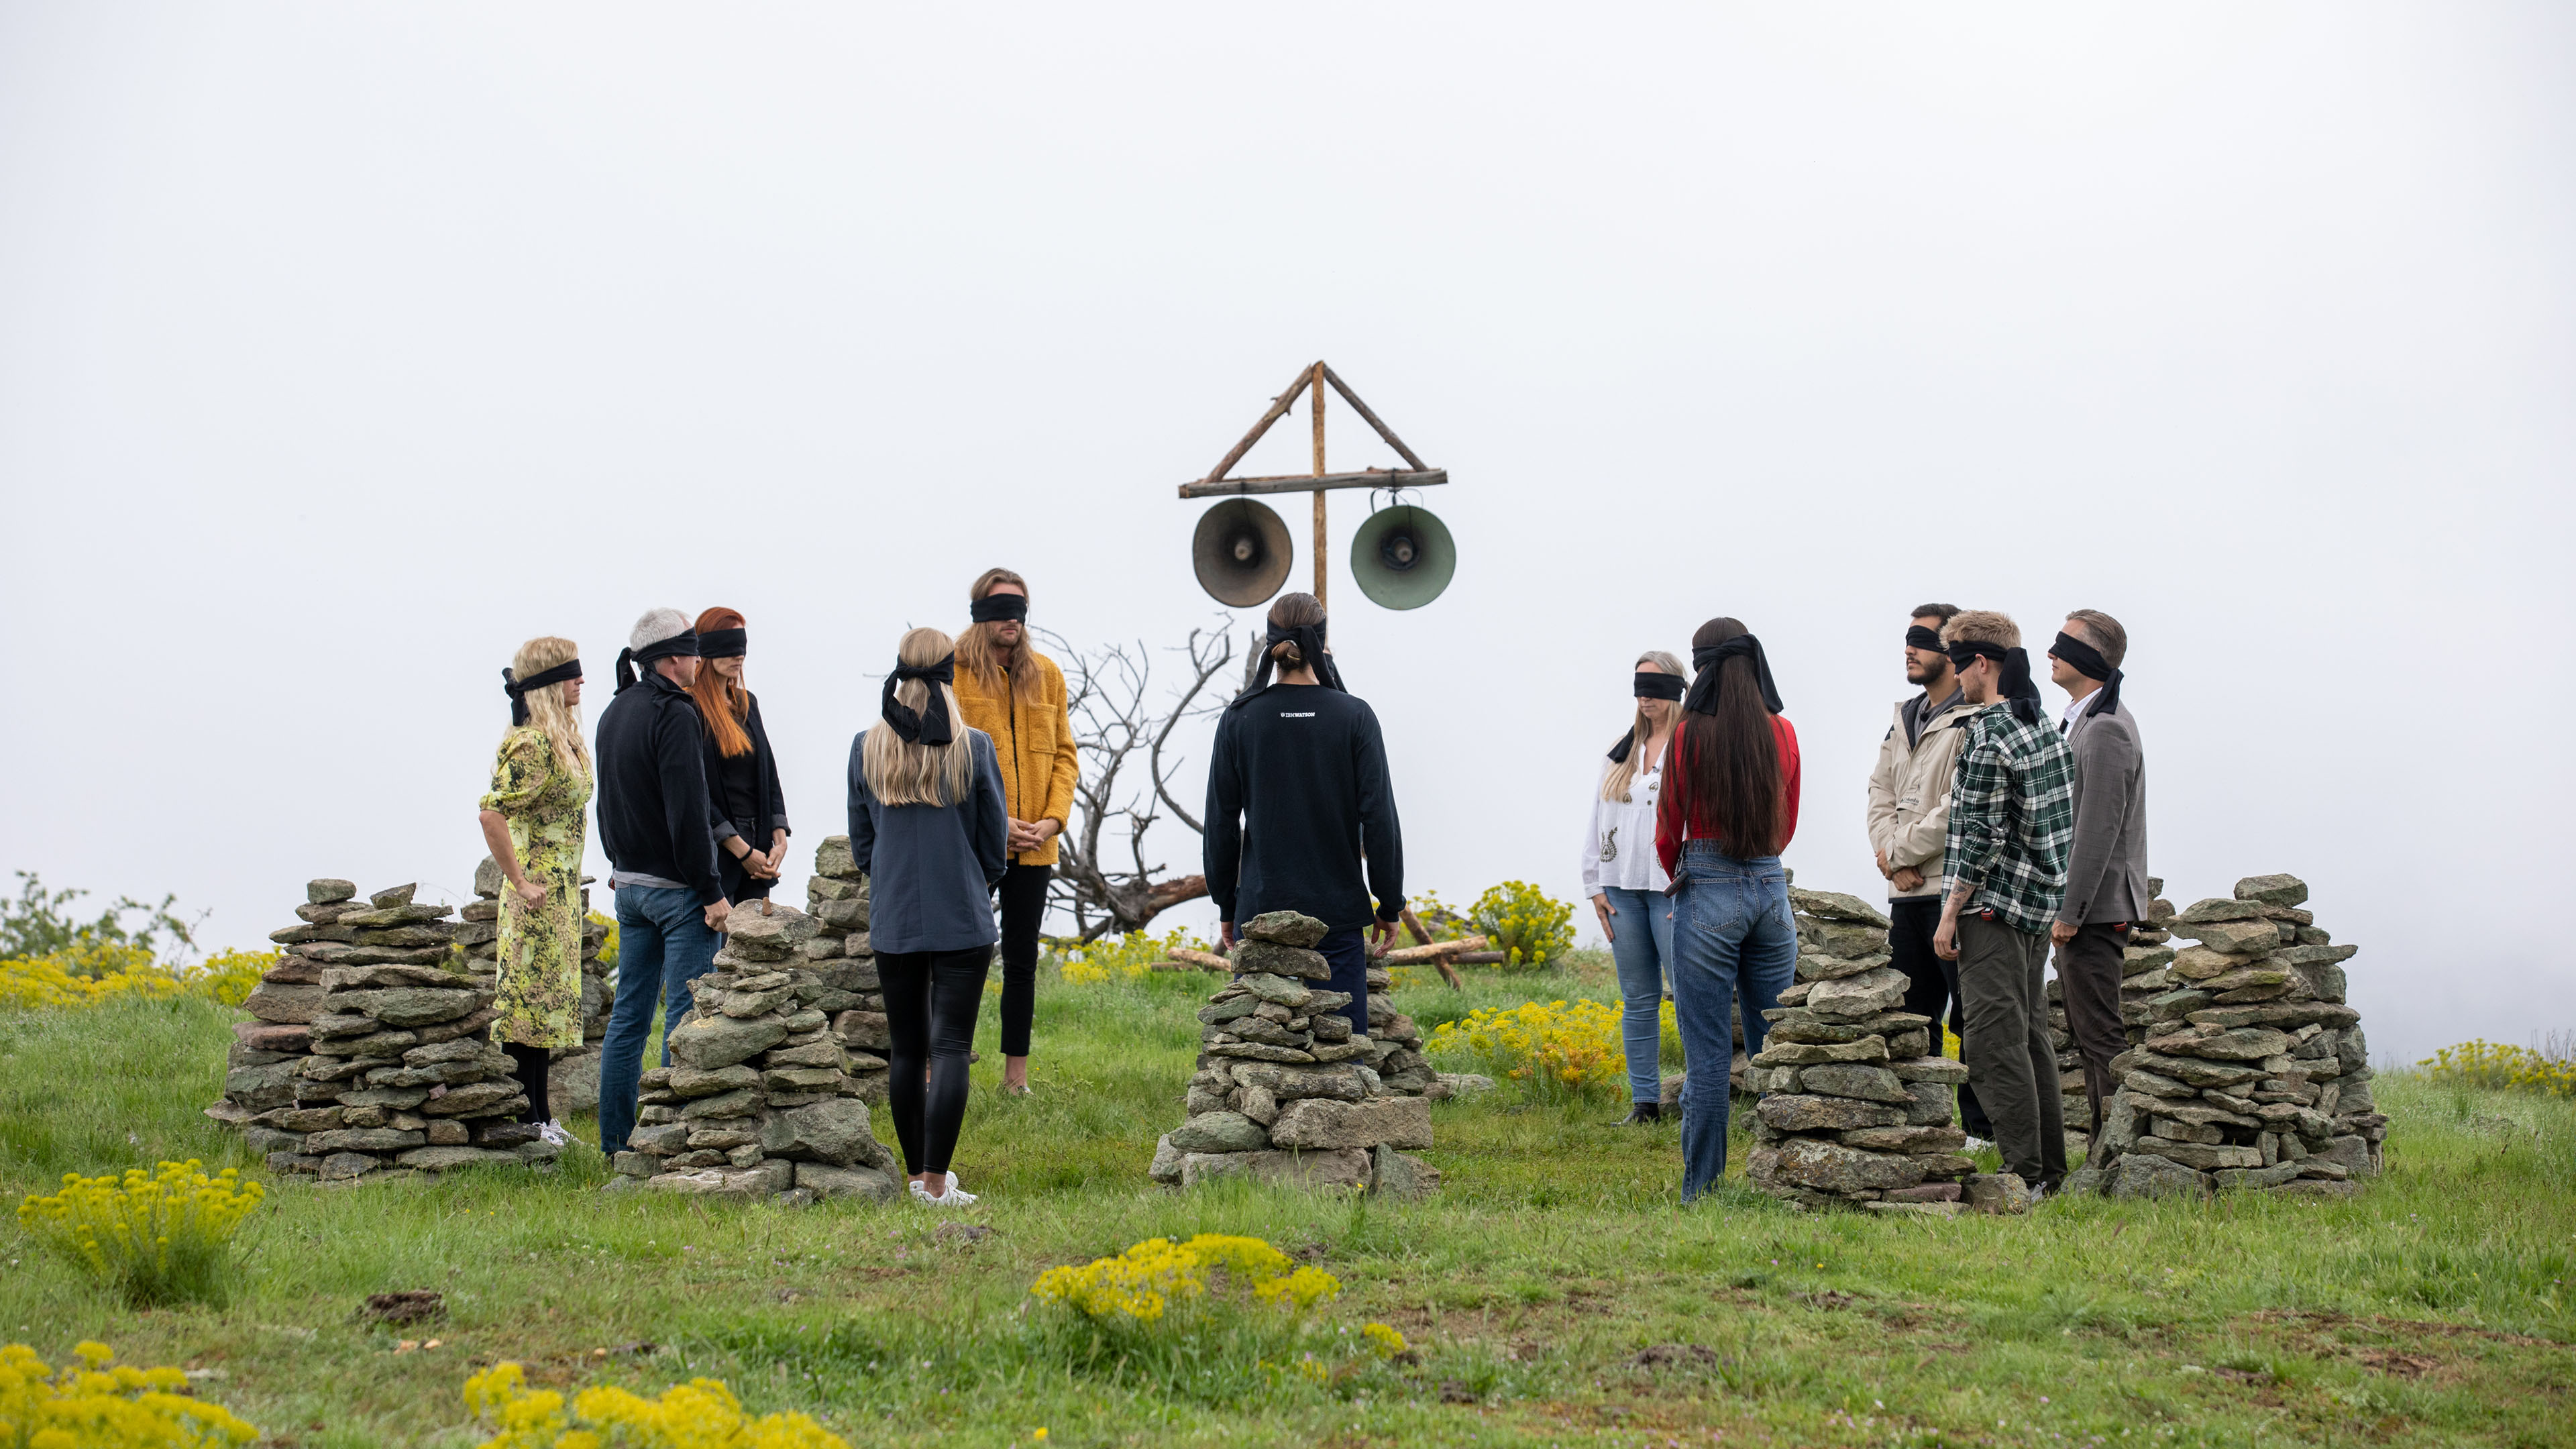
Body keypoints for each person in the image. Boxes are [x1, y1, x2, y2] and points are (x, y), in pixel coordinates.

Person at [848, 626, 1009, 1205]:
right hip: (961, 912)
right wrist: (976, 879)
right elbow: (995, 844)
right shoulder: (974, 747)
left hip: (894, 916)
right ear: (950, 672)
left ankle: (916, 1177)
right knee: (949, 1050)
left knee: (907, 1049)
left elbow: (862, 845)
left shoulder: (866, 746)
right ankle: (938, 1184)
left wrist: (891, 879)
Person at [1203, 592, 1403, 1040]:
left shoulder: (1240, 718)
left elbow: (1221, 822)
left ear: (1269, 643)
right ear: (1324, 642)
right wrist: (1389, 903)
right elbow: (1380, 820)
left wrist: (1227, 904)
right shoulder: (1355, 716)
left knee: (1256, 1052)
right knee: (1343, 1047)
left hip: (1261, 911)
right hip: (1338, 911)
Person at [1654, 618, 1802, 1201]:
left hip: (1707, 880)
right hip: (1770, 886)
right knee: (1774, 1047)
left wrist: (1685, 876)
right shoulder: (1783, 731)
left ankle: (1702, 1191)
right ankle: (1782, 1180)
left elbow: (1669, 826)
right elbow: (1786, 823)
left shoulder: (1689, 734)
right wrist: (1759, 862)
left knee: (1709, 1056)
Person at [1931, 610, 2076, 1195]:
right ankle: (2051, 1170)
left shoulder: (1988, 734)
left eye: (1959, 665)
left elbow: (1979, 837)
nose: (1957, 678)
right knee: (2031, 1036)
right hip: (2036, 910)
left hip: (1989, 909)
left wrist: (1948, 914)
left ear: (1981, 665)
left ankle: (2025, 1173)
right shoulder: (2042, 728)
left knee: (1991, 1042)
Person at [594, 608, 730, 1157]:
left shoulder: (615, 709)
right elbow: (688, 811)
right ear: (673, 658)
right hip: (677, 893)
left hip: (628, 886)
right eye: (694, 651)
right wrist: (711, 890)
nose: (700, 659)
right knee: (684, 1017)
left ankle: (615, 1146)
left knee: (628, 1017)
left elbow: (608, 801)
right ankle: (668, 1146)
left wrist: (616, 861)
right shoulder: (676, 712)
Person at [1864, 602, 1994, 1145]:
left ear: (1953, 650)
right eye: (1908, 638)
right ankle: (1924, 1126)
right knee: (1913, 1015)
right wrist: (1890, 852)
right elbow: (1879, 793)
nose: (1909, 649)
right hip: (1906, 894)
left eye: (1922, 639)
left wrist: (1904, 853)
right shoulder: (1903, 717)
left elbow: (1961, 803)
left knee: (1969, 1015)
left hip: (1950, 890)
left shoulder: (1977, 716)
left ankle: (1982, 1130)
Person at [950, 568, 1079, 1097]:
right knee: (959, 954)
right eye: (1001, 608)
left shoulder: (1047, 674)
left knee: (1022, 957)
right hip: (976, 844)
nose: (1012, 619)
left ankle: (1015, 1079)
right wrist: (995, 824)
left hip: (1036, 846)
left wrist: (1052, 820)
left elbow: (1066, 756)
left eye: (1019, 608)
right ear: (979, 612)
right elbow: (947, 758)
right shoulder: (953, 674)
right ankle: (945, 1064)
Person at [474, 636, 591, 1146]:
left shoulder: (564, 738)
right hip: (535, 898)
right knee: (526, 1013)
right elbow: (490, 811)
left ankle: (542, 1117)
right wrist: (520, 881)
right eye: (572, 674)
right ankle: (526, 1121)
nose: (581, 681)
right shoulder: (531, 745)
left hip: (560, 897)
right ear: (547, 684)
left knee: (546, 1012)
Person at [2047, 610, 2148, 1142]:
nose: (2051, 652)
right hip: (2091, 907)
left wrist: (2070, 912)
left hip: (2097, 908)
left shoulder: (2106, 729)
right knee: (2089, 1035)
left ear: (2093, 658)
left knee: (2101, 1035)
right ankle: (2105, 1145)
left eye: (2064, 643)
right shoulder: (2087, 720)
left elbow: (2097, 831)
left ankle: (2118, 1146)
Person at [1581, 650, 1686, 1125]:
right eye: (1640, 687)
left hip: (1669, 890)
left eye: (1657, 687)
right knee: (1638, 998)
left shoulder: (1687, 748)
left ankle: (1700, 1097)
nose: (1646, 696)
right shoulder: (1620, 752)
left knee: (1686, 994)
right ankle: (1645, 1102)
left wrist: (1690, 886)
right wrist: (1594, 886)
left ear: (1678, 689)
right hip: (1620, 888)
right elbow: (1597, 820)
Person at [688, 608, 790, 908]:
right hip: (719, 854)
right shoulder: (689, 708)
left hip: (759, 850)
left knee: (754, 950)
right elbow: (697, 791)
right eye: (728, 647)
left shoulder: (747, 702)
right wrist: (741, 851)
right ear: (704, 649)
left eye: (742, 648)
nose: (739, 656)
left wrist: (779, 837)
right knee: (718, 951)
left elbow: (768, 772)